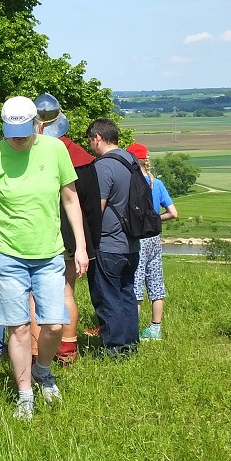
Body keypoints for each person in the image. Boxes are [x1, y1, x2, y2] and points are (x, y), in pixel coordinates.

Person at [0, 97, 89, 421]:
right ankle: (25, 394)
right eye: (11, 133)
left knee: (54, 323)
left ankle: (43, 370)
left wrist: (79, 246)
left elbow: (70, 199)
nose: (17, 139)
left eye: (23, 132)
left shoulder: (55, 151)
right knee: (19, 329)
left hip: (49, 252)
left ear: (38, 124)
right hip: (6, 254)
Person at [30, 93, 103, 364]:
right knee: (66, 290)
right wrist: (89, 242)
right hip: (73, 235)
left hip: (41, 232)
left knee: (35, 294)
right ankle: (66, 351)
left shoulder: (31, 153)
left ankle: (37, 354)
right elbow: (92, 207)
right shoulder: (81, 157)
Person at [85, 118, 141, 358]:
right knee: (127, 293)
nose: (89, 146)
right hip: (132, 242)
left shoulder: (103, 167)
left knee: (107, 296)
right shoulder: (132, 161)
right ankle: (130, 344)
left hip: (108, 243)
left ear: (97, 138)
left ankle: (116, 348)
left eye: (89, 141)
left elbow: (97, 208)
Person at [126, 142, 178, 342]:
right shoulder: (157, 183)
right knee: (156, 282)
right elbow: (173, 213)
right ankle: (155, 329)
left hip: (138, 239)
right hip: (155, 238)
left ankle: (132, 331)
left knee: (136, 285)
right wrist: (155, 219)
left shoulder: (132, 182)